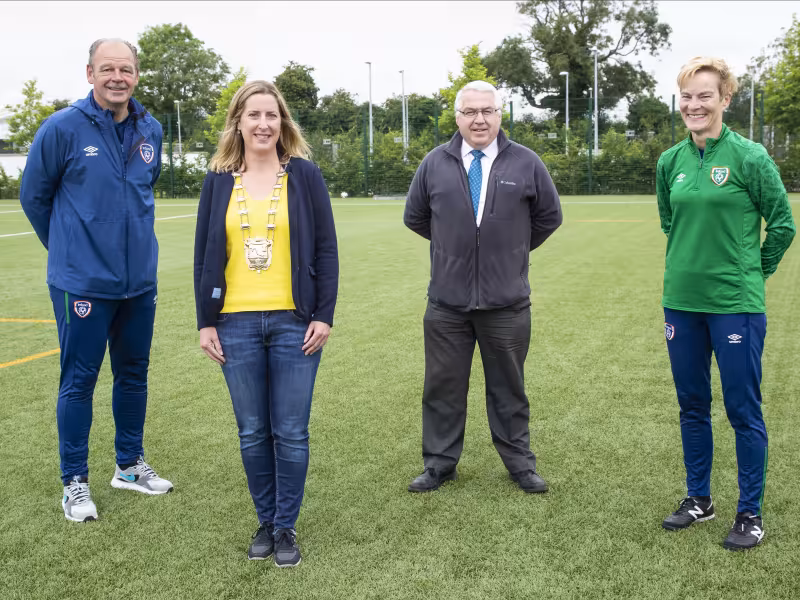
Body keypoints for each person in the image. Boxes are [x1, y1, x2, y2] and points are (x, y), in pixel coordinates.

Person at [19, 39, 173, 523]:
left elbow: (143, 189)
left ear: (136, 75)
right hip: (81, 284)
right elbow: (34, 198)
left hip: (138, 283)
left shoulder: (152, 128)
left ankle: (128, 466)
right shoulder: (62, 128)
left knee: (134, 374)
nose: (117, 77)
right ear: (90, 73)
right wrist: (70, 252)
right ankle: (74, 482)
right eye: (107, 69)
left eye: (125, 69)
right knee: (79, 380)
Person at [194, 80, 338, 567]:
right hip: (233, 322)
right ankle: (265, 519)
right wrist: (205, 322)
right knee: (253, 431)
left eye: (271, 116)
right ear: (237, 121)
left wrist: (324, 315)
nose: (262, 124)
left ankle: (285, 527)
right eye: (253, 115)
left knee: (292, 431)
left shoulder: (305, 176)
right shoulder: (217, 179)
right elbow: (204, 257)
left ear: (283, 123)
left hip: (294, 322)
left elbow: (326, 250)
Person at [656, 57, 795, 550]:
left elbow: (782, 224)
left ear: (725, 100)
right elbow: (670, 223)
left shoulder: (751, 157)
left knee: (742, 409)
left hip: (735, 305)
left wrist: (753, 272)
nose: (694, 105)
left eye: (705, 96)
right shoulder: (669, 162)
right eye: (687, 96)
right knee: (692, 406)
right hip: (681, 303)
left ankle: (749, 512)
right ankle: (699, 500)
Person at [403, 80, 562, 494]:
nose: (479, 119)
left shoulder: (526, 162)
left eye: (487, 111)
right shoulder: (434, 163)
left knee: (509, 388)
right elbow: (416, 217)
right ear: (456, 117)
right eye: (470, 111)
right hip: (447, 304)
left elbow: (549, 217)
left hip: (506, 303)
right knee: (442, 387)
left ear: (499, 114)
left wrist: (508, 252)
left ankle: (519, 465)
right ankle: (439, 464)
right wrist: (455, 249)